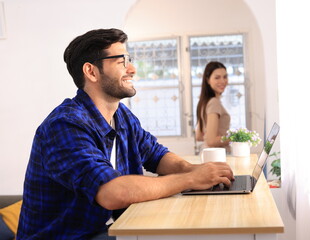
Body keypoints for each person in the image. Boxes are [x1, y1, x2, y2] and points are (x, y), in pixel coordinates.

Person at [17, 29, 234, 240]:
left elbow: (156, 155)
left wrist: (196, 170)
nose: (132, 69)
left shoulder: (122, 115)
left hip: (108, 228)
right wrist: (190, 179)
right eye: (122, 61)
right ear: (91, 71)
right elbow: (111, 193)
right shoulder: (65, 125)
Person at [195, 61, 231, 151]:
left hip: (210, 154)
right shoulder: (214, 102)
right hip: (218, 156)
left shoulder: (204, 102)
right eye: (217, 78)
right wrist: (236, 137)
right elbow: (211, 141)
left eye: (225, 77)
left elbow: (199, 136)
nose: (222, 81)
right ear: (208, 80)